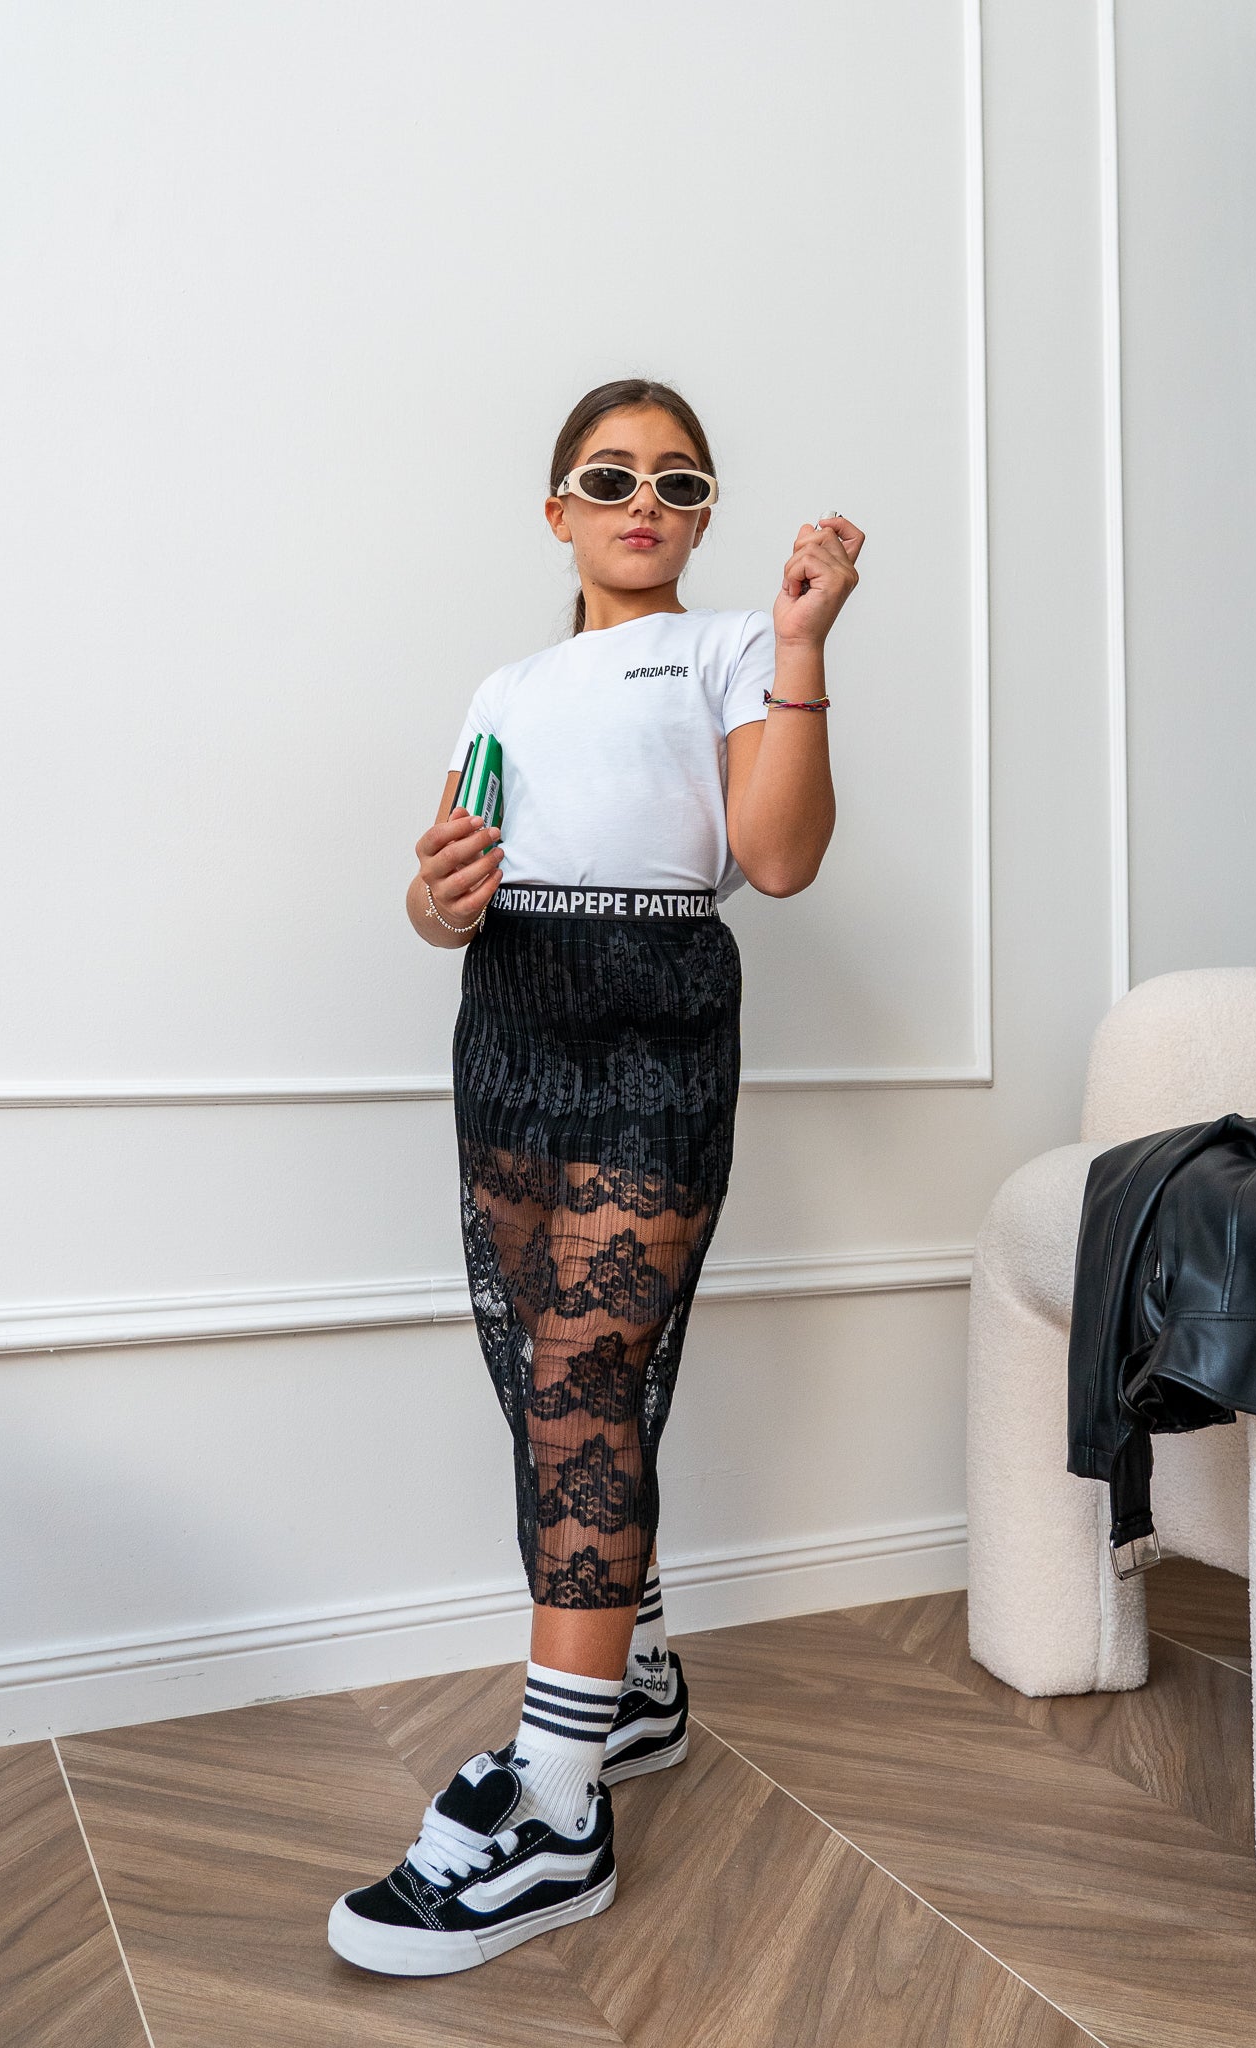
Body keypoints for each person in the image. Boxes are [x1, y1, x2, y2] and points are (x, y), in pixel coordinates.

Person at [328, 377, 862, 1977]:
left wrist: (806, 643)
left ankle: (557, 1807)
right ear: (557, 509)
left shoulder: (733, 648)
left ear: (702, 519)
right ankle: (632, 1688)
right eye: (612, 476)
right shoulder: (502, 688)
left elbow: (777, 858)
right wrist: (437, 898)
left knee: (581, 1373)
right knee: (547, 1379)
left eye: (678, 482)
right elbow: (441, 890)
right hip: (510, 1013)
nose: (646, 501)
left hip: (654, 1014)